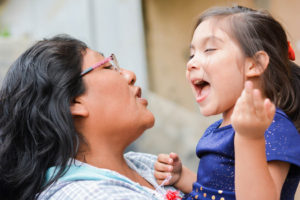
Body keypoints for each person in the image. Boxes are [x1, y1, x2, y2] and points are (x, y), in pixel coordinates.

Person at [0, 35, 180, 200]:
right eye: (108, 66)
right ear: (74, 101)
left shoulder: (149, 165)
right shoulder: (83, 195)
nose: (130, 75)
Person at [154, 5, 300, 200]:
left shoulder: (272, 125)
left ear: (254, 64)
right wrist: (182, 177)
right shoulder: (216, 129)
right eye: (192, 54)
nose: (191, 63)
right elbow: (218, 191)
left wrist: (250, 138)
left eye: (209, 49)